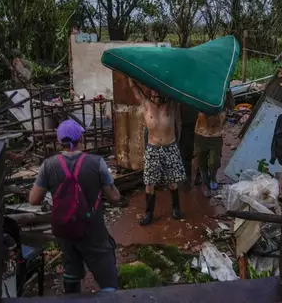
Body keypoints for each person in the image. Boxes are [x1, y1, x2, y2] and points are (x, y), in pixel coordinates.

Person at [29, 119, 121, 294]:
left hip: (65, 229)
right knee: (106, 273)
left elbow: (34, 199)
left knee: (71, 269)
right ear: (81, 139)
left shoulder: (48, 166)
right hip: (93, 230)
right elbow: (114, 198)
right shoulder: (97, 162)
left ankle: (72, 296)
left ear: (59, 141)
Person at [129, 77, 185, 226]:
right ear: (150, 92)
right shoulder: (146, 104)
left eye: (158, 93)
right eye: (153, 92)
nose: (156, 95)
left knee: (173, 181)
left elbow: (180, 91)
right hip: (153, 149)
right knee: (149, 183)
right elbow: (134, 87)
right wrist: (129, 74)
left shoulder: (171, 105)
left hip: (170, 147)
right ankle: (149, 213)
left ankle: (176, 208)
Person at [194, 92, 234, 197]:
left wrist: (228, 93)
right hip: (201, 133)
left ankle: (212, 178)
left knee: (214, 162)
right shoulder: (202, 93)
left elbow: (231, 106)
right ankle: (205, 184)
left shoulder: (224, 94)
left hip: (216, 135)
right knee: (202, 161)